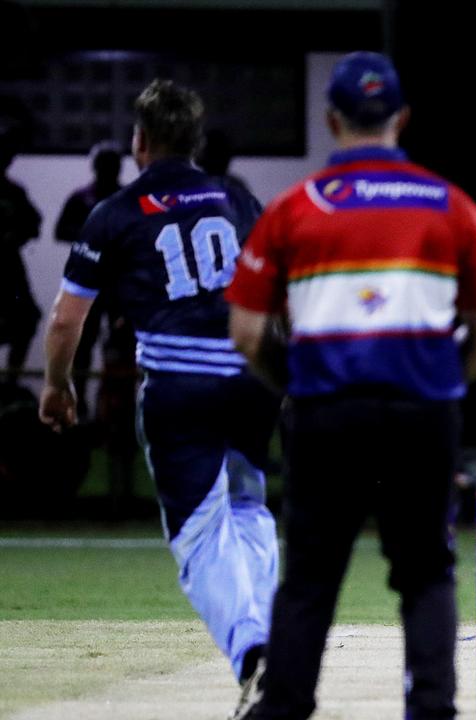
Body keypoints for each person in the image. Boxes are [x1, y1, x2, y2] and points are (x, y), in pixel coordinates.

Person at [225, 51, 476, 720]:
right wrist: (444, 383)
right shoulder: (453, 207)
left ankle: (285, 708)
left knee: (309, 579)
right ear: (402, 119)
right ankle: (433, 709)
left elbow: (245, 331)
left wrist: (292, 382)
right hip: (423, 414)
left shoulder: (294, 209)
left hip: (324, 415)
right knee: (424, 571)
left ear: (332, 121)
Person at [38, 79, 280, 695]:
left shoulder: (115, 212)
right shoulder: (236, 198)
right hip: (251, 380)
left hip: (181, 389)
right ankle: (274, 640)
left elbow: (67, 318)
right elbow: (279, 291)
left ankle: (253, 649)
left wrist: (57, 386)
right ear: (195, 143)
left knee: (198, 532)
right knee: (249, 506)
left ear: (139, 142)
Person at [53, 140, 138, 512]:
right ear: (94, 165)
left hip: (117, 285)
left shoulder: (126, 197)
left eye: (112, 162)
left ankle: (120, 412)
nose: (107, 168)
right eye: (101, 162)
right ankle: (82, 406)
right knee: (82, 343)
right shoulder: (82, 198)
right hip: (90, 281)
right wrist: (90, 235)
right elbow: (59, 229)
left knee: (122, 347)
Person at [0, 128, 41, 385]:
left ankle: (10, 384)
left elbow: (33, 225)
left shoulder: (14, 191)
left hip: (8, 269)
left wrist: (13, 237)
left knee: (26, 321)